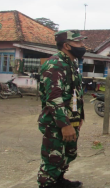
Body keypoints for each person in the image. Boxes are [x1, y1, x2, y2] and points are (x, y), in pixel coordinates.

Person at [37, 30, 86, 188]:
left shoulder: (71, 63)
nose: (82, 46)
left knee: (68, 153)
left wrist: (79, 117)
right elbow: (53, 98)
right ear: (66, 45)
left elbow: (74, 93)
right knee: (53, 157)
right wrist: (64, 125)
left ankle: (58, 180)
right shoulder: (55, 64)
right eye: (78, 42)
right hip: (56, 121)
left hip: (71, 118)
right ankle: (47, 184)